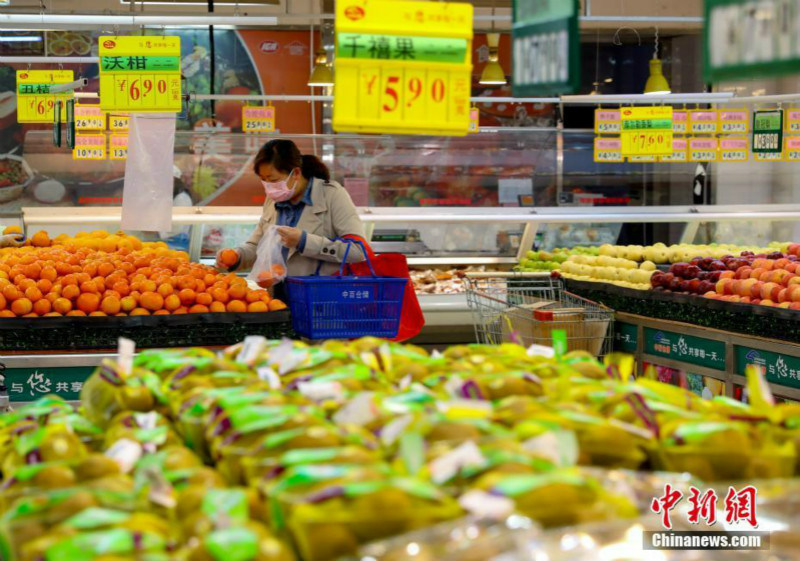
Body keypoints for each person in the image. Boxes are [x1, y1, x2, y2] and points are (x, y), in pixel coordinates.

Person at [217, 139, 366, 298]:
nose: (269, 187)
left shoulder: (331, 195)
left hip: (319, 300)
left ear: (295, 173)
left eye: (273, 180)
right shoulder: (273, 200)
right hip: (278, 299)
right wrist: (237, 256)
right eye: (264, 180)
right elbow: (257, 245)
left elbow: (358, 251)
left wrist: (304, 241)